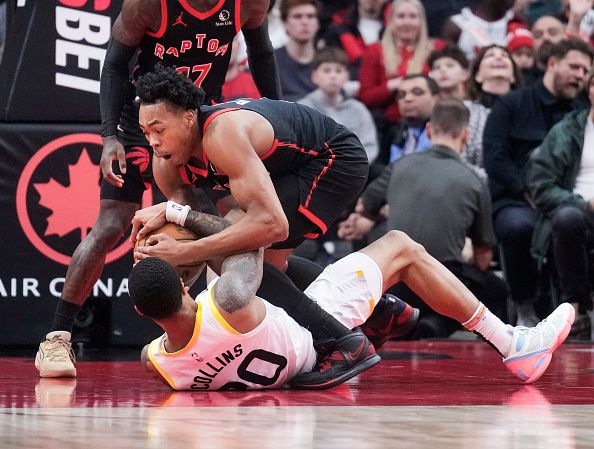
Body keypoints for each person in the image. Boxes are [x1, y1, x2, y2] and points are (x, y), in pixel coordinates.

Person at [34, 0, 284, 379]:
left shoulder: (248, 3)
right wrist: (107, 137)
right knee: (111, 224)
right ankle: (57, 336)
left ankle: (227, 327)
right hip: (145, 123)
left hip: (202, 121)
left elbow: (262, 54)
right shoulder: (149, 5)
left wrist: (276, 112)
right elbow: (115, 65)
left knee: (241, 222)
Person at [127, 64, 393, 388]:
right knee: (244, 256)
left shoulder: (221, 135)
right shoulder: (167, 163)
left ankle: (345, 344)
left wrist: (184, 249)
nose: (153, 141)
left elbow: (271, 226)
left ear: (187, 118)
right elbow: (207, 230)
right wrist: (170, 262)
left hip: (333, 159)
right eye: (145, 133)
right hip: (286, 169)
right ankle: (381, 311)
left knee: (250, 254)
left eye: (159, 129)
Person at [129, 207, 575, 390]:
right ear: (185, 287)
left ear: (140, 313)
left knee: (278, 270)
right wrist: (176, 214)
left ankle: (379, 314)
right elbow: (244, 241)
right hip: (317, 328)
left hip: (280, 354)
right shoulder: (227, 297)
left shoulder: (163, 365)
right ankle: (514, 345)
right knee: (401, 246)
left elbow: (159, 349)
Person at [339, 99, 509, 338]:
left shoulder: (400, 165)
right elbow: (483, 257)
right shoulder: (474, 180)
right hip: (443, 283)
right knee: (496, 288)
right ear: (466, 135)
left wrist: (385, 213)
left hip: (398, 285)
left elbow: (363, 206)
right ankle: (485, 339)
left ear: (429, 130)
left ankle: (418, 324)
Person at [483, 38, 593, 327]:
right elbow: (495, 158)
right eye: (574, 67)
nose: (580, 75)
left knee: (570, 220)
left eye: (585, 70)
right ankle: (525, 306)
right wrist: (525, 188)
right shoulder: (512, 103)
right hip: (517, 197)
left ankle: (572, 309)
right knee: (522, 227)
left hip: (567, 198)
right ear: (553, 64)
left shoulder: (583, 110)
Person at [528, 70, 594, 339]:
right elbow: (541, 187)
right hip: (579, 211)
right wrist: (585, 203)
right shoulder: (567, 130)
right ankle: (576, 308)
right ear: (589, 90)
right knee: (567, 218)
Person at [357, 0, 434, 131]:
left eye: (413, 16)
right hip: (388, 126)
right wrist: (392, 85)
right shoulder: (375, 51)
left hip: (430, 123)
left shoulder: (435, 50)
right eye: (401, 16)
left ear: (422, 21)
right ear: (390, 20)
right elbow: (365, 97)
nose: (407, 22)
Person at [299, 47, 379, 164]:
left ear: (346, 76)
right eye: (327, 70)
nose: (333, 76)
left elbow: (370, 147)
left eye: (338, 71)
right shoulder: (302, 109)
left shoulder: (358, 109)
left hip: (352, 171)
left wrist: (353, 167)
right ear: (314, 76)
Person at [274, 0, 320, 101]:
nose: (305, 22)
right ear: (284, 23)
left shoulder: (328, 60)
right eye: (297, 16)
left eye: (310, 16)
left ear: (317, 23)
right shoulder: (270, 62)